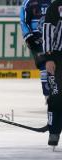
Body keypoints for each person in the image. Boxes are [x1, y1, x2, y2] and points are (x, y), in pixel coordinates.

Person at [20, 0, 51, 100]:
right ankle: (48, 96)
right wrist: (29, 38)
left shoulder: (52, 2)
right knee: (44, 66)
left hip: (51, 40)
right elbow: (23, 21)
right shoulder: (28, 3)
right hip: (36, 41)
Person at [43, 0, 62, 147]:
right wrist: (49, 58)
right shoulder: (57, 6)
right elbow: (48, 31)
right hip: (58, 56)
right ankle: (54, 131)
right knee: (56, 96)